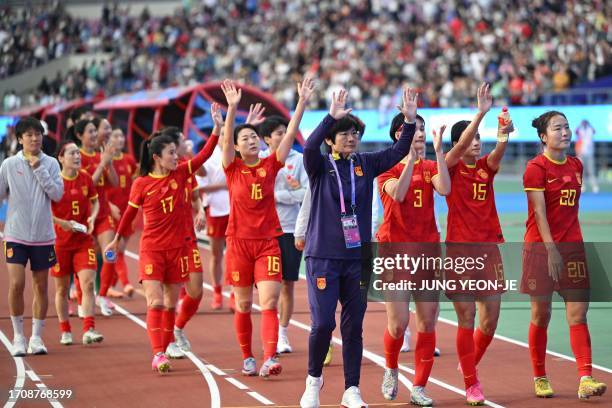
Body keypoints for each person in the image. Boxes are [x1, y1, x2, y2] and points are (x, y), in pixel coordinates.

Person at [299, 87, 417, 408]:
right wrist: (330, 117)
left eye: (354, 133)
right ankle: (313, 382)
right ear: (331, 140)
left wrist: (408, 119)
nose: (351, 138)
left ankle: (352, 389)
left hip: (358, 258)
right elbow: (309, 145)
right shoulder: (320, 166)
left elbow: (400, 149)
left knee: (354, 325)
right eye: (344, 134)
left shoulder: (366, 163)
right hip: (323, 255)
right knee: (323, 323)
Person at [104, 114, 219, 374]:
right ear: (156, 157)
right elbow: (129, 215)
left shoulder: (181, 173)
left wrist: (217, 128)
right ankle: (158, 354)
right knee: (155, 302)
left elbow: (205, 154)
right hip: (152, 250)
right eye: (170, 153)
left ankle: (166, 345)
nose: (176, 157)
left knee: (169, 303)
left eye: (175, 153)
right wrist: (115, 239)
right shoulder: (141, 184)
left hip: (178, 250)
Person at [220, 77, 313, 378]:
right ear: (236, 146)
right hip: (238, 244)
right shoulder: (232, 168)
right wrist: (233, 110)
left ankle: (269, 357)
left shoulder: (270, 165)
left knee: (269, 302)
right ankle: (247, 356)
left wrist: (301, 103)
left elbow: (288, 138)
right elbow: (225, 142)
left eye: (253, 137)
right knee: (244, 305)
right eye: (244, 138)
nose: (251, 140)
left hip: (267, 243)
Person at [521, 111, 607, 400]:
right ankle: (540, 376)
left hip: (573, 249)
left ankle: (585, 378)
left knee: (578, 312)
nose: (565, 132)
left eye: (567, 127)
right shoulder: (535, 168)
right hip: (540, 249)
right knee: (541, 314)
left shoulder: (576, 165)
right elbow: (539, 213)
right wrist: (550, 250)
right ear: (544, 136)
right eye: (558, 128)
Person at [443, 83, 512, 405]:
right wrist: (480, 112)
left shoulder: (486, 168)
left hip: (489, 250)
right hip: (459, 251)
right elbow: (455, 151)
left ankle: (468, 361)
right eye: (470, 140)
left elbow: (497, 153)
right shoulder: (452, 167)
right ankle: (472, 383)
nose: (475, 145)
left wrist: (502, 134)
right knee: (466, 317)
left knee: (490, 319)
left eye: (478, 141)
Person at [377, 113, 451, 406]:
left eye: (421, 129)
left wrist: (440, 152)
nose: (420, 133)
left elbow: (444, 188)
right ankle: (391, 368)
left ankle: (419, 386)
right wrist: (410, 159)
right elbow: (399, 194)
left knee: (427, 321)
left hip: (427, 250)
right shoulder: (387, 167)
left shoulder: (431, 165)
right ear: (400, 134)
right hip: (395, 250)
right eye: (415, 129)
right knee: (398, 324)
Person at [1, 116, 63, 356]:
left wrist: (39, 169)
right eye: (29, 135)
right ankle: (18, 337)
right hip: (16, 233)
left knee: (41, 286)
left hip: (43, 235)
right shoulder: (8, 165)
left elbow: (57, 194)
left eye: (38, 134)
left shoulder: (51, 164)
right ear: (20, 139)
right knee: (17, 284)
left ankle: (36, 337)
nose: (35, 138)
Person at [259, 115, 309, 354]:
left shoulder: (298, 160)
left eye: (285, 132)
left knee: (287, 283)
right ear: (267, 138)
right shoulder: (258, 159)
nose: (283, 136)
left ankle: (282, 333)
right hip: (263, 230)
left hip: (289, 228)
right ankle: (267, 332)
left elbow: (306, 194)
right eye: (278, 133)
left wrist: (280, 196)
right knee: (267, 286)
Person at [157, 126, 207, 358]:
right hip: (166, 243)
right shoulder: (156, 176)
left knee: (196, 291)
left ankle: (177, 328)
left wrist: (201, 212)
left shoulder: (187, 169)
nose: (183, 147)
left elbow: (196, 197)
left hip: (189, 239)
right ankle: (165, 343)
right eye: (181, 142)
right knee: (167, 297)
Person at [51, 141, 104, 345]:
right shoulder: (55, 181)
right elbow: (44, 210)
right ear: (61, 158)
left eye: (77, 153)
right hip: (60, 242)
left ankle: (89, 328)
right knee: (62, 289)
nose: (76, 156)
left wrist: (93, 216)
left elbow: (95, 201)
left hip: (83, 241)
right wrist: (61, 222)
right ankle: (65, 329)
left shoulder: (86, 178)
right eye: (72, 153)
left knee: (88, 283)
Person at [70, 118, 119, 316]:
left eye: (94, 131)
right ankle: (82, 299)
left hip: (103, 211)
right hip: (85, 214)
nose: (93, 135)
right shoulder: (75, 156)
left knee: (110, 253)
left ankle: (103, 295)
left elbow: (114, 182)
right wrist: (102, 164)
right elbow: (85, 186)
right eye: (90, 131)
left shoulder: (102, 154)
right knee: (84, 260)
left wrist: (110, 162)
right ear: (80, 135)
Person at [196, 125, 230, 311]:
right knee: (217, 254)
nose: (226, 137)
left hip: (235, 211)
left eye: (228, 134)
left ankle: (234, 293)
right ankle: (217, 293)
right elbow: (199, 189)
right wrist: (222, 186)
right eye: (222, 134)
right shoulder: (209, 158)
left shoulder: (236, 153)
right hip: (216, 211)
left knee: (234, 254)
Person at [106, 128, 137, 297]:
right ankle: (125, 283)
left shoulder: (129, 160)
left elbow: (134, 182)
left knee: (120, 250)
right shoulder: (106, 161)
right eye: (115, 136)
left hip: (127, 211)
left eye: (121, 135)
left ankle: (109, 285)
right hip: (111, 212)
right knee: (118, 249)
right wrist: (108, 205)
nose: (120, 139)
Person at [574, 120, 599, 193]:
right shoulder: (580, 130)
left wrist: (589, 125)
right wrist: (580, 125)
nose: (584, 124)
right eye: (583, 123)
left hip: (589, 153)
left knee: (591, 170)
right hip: (581, 153)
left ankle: (594, 186)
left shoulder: (590, 129)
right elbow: (575, 131)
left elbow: (594, 131)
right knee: (581, 171)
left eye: (585, 123)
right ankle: (582, 186)